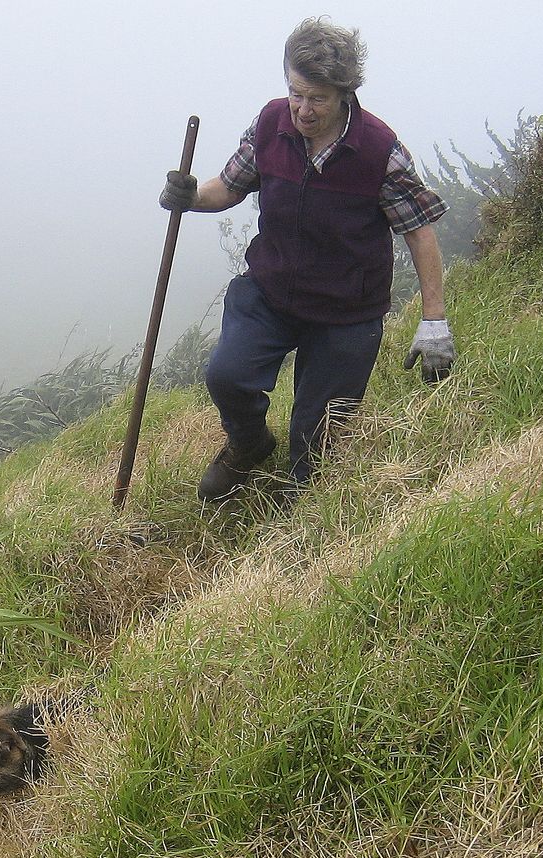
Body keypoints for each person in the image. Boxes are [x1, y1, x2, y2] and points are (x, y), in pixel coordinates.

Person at [160, 17, 456, 501]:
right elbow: (229, 187)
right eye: (296, 92)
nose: (303, 109)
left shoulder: (380, 151)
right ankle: (248, 444)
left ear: (344, 93)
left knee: (317, 446)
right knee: (226, 376)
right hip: (271, 291)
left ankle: (299, 524)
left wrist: (434, 321)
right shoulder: (271, 123)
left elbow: (420, 233)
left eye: (317, 97)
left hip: (346, 312)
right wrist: (191, 195)